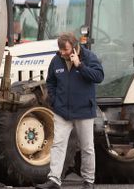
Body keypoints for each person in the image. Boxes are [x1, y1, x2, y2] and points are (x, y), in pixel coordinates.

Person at [36, 32, 104, 189]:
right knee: (58, 144)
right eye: (60, 49)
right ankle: (54, 180)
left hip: (84, 111)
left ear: (74, 47)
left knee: (87, 147)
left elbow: (99, 76)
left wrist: (80, 65)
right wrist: (54, 100)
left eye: (65, 50)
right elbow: (50, 82)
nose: (62, 53)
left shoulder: (89, 57)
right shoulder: (56, 60)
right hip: (62, 112)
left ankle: (89, 181)